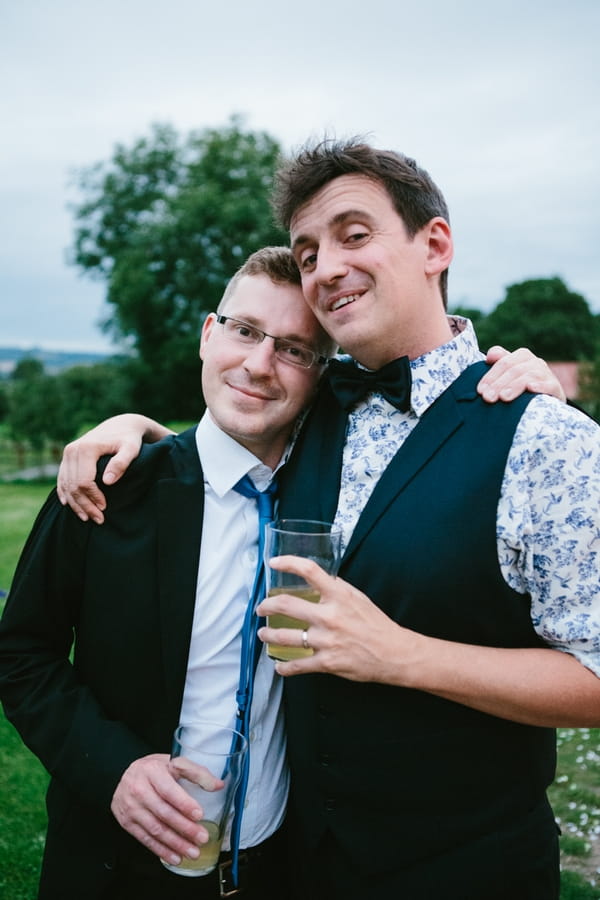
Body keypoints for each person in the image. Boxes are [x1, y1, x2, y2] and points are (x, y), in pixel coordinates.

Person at [54, 140, 600, 900]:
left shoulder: (547, 439)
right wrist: (135, 427)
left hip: (467, 872)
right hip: (299, 866)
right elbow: (234, 413)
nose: (325, 268)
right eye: (308, 253)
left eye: (353, 234)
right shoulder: (313, 406)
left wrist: (401, 654)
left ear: (433, 244)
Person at [0, 246, 336, 900]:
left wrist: (513, 374)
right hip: (117, 863)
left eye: (295, 349)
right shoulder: (108, 487)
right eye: (244, 331)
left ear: (321, 374)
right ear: (209, 335)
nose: (259, 364)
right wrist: (114, 769)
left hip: (281, 862)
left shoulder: (333, 495)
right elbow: (20, 651)